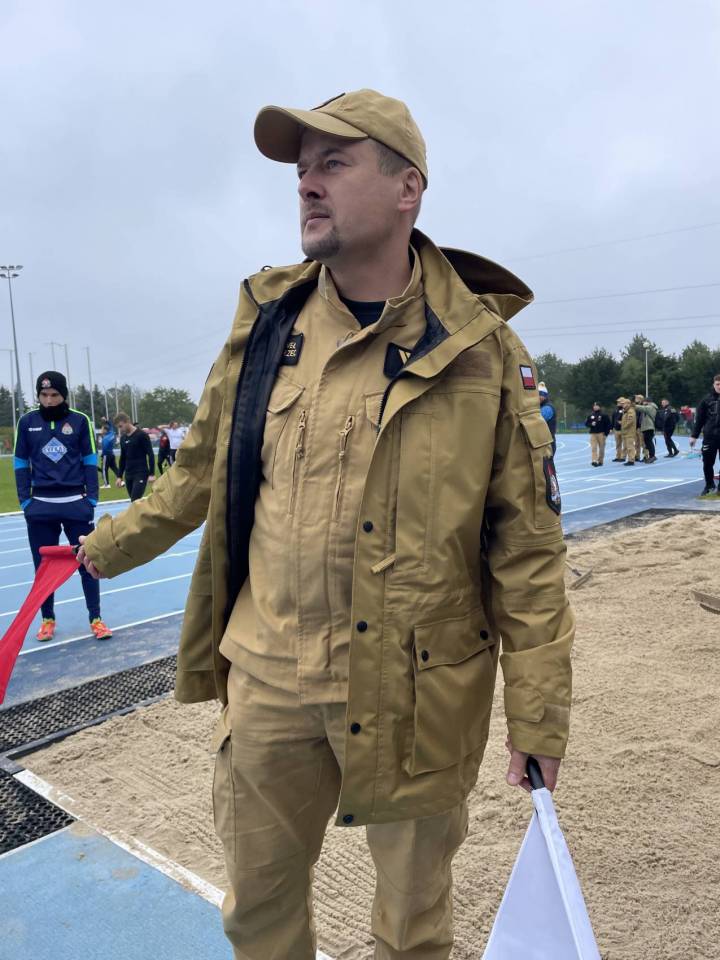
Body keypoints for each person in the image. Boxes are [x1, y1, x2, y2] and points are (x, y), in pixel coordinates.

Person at [78, 89, 574, 959]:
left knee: (412, 930)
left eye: (333, 164)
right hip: (268, 675)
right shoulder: (268, 327)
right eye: (303, 169)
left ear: (407, 189)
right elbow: (197, 475)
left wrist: (538, 718)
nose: (307, 184)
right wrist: (97, 550)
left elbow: (526, 552)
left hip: (416, 690)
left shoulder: (482, 354)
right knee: (258, 915)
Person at [14, 372, 112, 642]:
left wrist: (91, 500)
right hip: (40, 506)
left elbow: (90, 460)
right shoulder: (27, 422)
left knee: (88, 562)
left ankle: (96, 618)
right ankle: (47, 619)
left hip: (75, 504)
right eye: (44, 395)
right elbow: (20, 463)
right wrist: (25, 501)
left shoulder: (80, 421)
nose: (49, 400)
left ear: (63, 395)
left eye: (54, 395)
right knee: (42, 568)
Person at [689, 372, 720, 495]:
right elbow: (699, 419)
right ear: (714, 384)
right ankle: (709, 485)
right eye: (717, 384)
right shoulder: (706, 400)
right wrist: (694, 436)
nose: (719, 386)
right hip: (710, 436)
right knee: (707, 463)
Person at [114, 412, 155, 501]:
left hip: (140, 473)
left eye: (121, 426)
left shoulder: (142, 435)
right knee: (135, 503)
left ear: (127, 421)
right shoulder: (123, 438)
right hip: (128, 475)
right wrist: (119, 476)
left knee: (135, 500)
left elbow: (150, 454)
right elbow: (122, 458)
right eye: (118, 427)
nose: (120, 429)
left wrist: (152, 473)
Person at [585, 402, 612, 466]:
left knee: (601, 449)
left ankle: (600, 461)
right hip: (593, 433)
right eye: (594, 406)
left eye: (597, 406)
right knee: (593, 448)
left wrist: (606, 434)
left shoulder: (604, 415)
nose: (595, 407)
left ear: (599, 407)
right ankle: (594, 460)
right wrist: (591, 424)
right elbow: (586, 423)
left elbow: (608, 425)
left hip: (601, 434)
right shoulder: (590, 415)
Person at [634, 394, 658, 463]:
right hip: (647, 427)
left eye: (644, 401)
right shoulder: (650, 406)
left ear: (647, 402)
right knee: (648, 442)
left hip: (649, 427)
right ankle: (651, 456)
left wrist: (633, 405)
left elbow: (643, 408)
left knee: (649, 442)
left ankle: (652, 456)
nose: (643, 402)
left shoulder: (651, 407)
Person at [538, 381, 557, 455]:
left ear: (545, 396)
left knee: (546, 463)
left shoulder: (547, 408)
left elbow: (537, 421)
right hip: (543, 443)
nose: (538, 397)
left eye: (540, 394)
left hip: (547, 445)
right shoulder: (541, 406)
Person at [99, 423, 120, 487]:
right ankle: (120, 480)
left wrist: (103, 455)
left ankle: (106, 484)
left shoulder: (105, 438)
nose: (101, 430)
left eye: (102, 429)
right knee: (114, 468)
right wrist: (106, 421)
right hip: (112, 454)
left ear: (105, 430)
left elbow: (105, 448)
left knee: (104, 469)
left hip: (106, 455)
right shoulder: (111, 433)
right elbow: (111, 426)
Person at [619, 397, 637, 465]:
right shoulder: (626, 411)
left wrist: (624, 426)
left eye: (624, 404)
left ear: (628, 404)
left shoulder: (630, 411)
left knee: (630, 447)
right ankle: (630, 459)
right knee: (628, 446)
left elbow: (630, 421)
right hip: (626, 432)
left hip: (629, 432)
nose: (622, 405)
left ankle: (631, 460)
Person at [611, 397, 625, 461]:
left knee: (624, 444)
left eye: (619, 402)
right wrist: (611, 428)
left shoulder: (625, 410)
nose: (618, 403)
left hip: (623, 429)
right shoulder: (615, 410)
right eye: (618, 402)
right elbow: (613, 420)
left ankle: (623, 457)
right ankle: (618, 456)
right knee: (618, 444)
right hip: (616, 430)